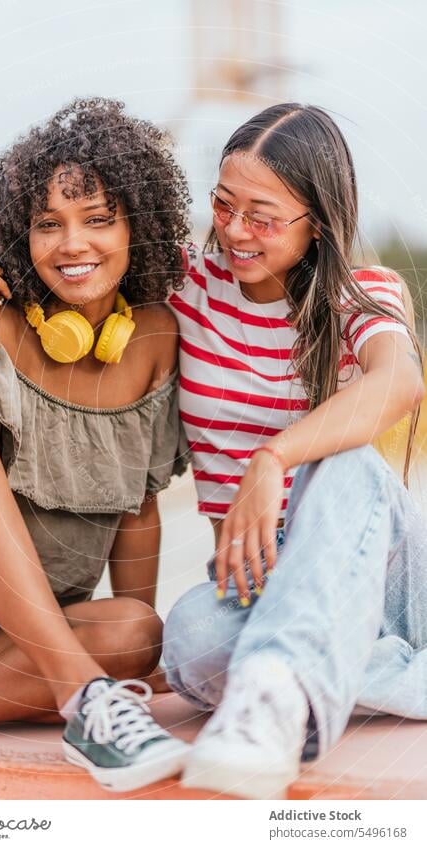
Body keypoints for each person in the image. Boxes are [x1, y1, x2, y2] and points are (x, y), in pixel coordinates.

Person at [0, 97, 192, 793]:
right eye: (47, 224)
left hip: (19, 652)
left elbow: (139, 507)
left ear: (135, 225)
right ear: (19, 234)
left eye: (97, 219)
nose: (72, 243)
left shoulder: (153, 339)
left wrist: (126, 664)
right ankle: (84, 699)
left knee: (138, 629)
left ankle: (78, 695)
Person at [162, 102, 427, 798]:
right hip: (264, 590)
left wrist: (273, 456)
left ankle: (276, 693)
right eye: (223, 204)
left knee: (339, 458)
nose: (235, 230)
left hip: (389, 575)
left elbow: (398, 380)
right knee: (189, 639)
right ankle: (333, 667)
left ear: (319, 222)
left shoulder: (361, 294)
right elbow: (79, 270)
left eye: (264, 216)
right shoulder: (189, 286)